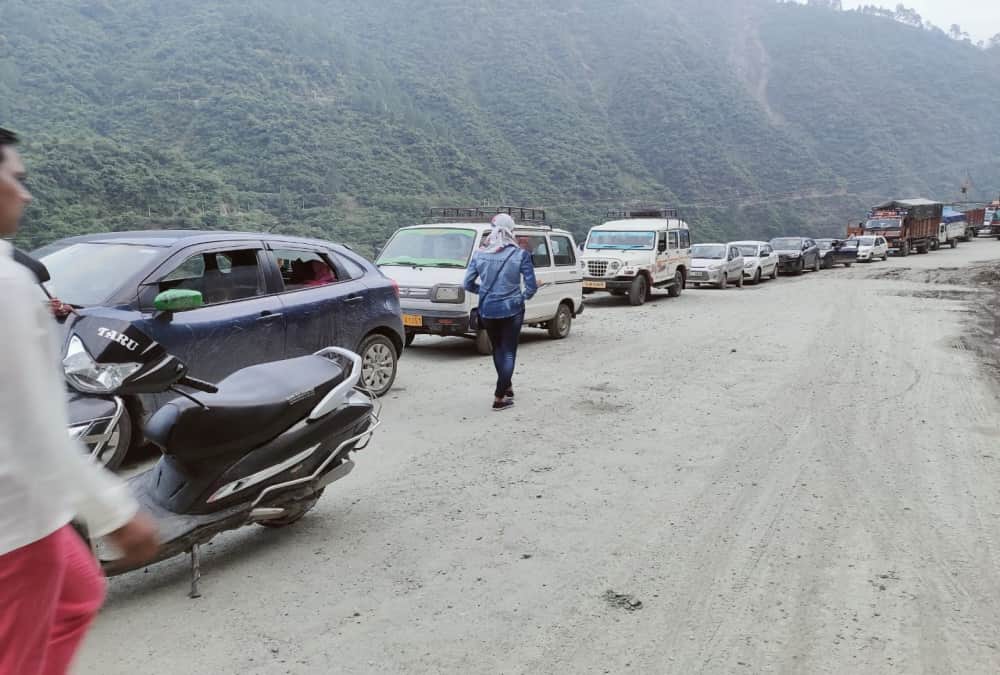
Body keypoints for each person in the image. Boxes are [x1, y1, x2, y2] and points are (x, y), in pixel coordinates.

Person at [0, 128, 159, 675]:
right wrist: (116, 511)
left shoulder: (23, 281)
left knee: (79, 592)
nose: (25, 194)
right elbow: (37, 428)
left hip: (29, 509)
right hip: (15, 520)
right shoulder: (6, 282)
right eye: (15, 179)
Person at [463, 213, 538, 411]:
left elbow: (467, 283)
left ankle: (507, 386)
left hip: (487, 309)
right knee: (509, 352)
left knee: (497, 349)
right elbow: (531, 287)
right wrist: (522, 297)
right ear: (511, 231)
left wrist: (485, 291)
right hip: (512, 309)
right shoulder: (520, 254)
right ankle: (499, 397)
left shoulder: (480, 254)